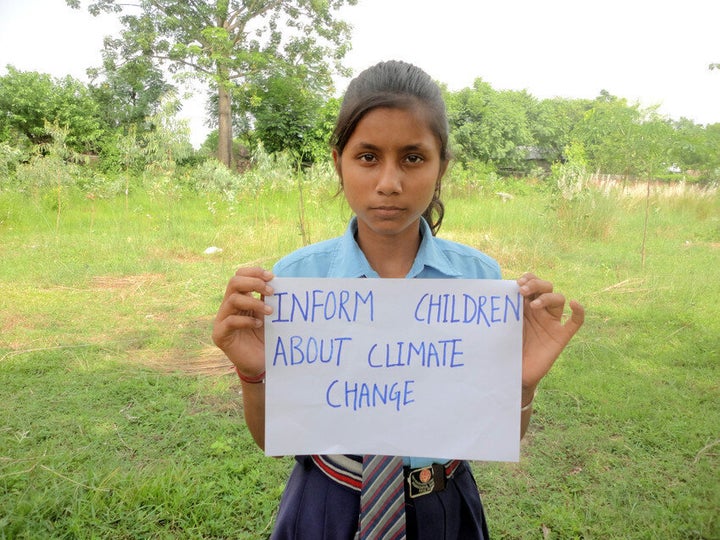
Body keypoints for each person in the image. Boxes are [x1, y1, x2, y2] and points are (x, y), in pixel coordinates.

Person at [212, 60, 585, 540]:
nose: (389, 182)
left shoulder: (480, 282)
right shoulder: (294, 282)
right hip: (327, 500)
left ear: (441, 166)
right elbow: (272, 439)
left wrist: (520, 389)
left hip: (442, 504)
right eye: (367, 157)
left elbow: (496, 432)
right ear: (338, 162)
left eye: (413, 157)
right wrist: (254, 373)